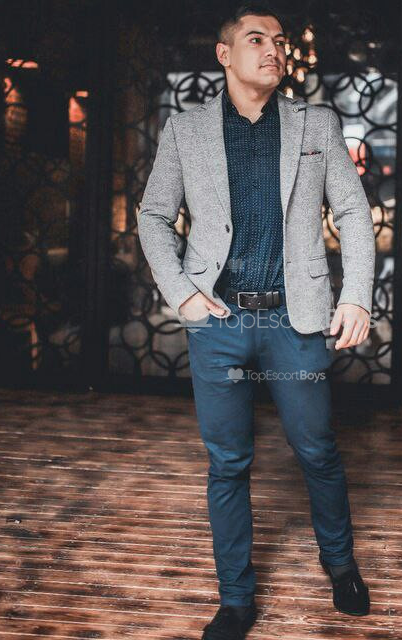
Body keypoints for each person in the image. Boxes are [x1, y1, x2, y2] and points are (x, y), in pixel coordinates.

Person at [138, 5, 375, 638]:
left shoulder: (316, 123)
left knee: (317, 449)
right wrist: (183, 295)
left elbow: (353, 212)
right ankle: (236, 598)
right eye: (256, 39)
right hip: (218, 322)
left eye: (279, 40)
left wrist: (356, 296)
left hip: (295, 321)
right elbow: (153, 216)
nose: (274, 49)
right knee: (228, 463)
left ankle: (341, 565)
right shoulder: (185, 129)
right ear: (224, 54)